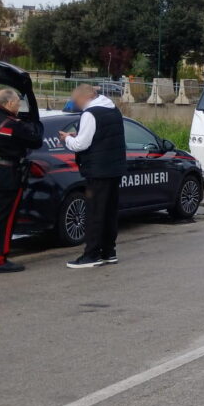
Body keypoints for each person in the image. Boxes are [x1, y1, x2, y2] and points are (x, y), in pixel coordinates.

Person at [58, 84, 126, 269]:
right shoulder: (113, 110)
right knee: (109, 212)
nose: (76, 104)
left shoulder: (90, 113)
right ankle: (108, 252)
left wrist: (68, 139)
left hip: (98, 171)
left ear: (84, 97)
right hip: (114, 169)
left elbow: (81, 144)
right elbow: (101, 136)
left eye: (76, 100)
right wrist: (78, 135)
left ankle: (91, 255)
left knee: (95, 212)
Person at [0, 89, 43, 273]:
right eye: (18, 102)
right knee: (4, 218)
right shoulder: (13, 124)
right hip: (7, 174)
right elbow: (36, 140)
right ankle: (1, 258)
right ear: (9, 104)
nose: (19, 106)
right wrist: (35, 121)